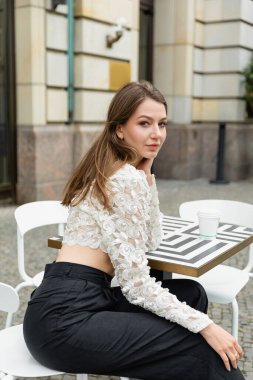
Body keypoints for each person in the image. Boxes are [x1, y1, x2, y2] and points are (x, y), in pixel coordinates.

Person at [23, 81, 245, 380]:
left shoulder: (118, 171)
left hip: (73, 300)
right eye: (145, 123)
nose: (157, 134)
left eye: (162, 124)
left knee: (191, 293)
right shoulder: (122, 179)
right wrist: (206, 326)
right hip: (64, 320)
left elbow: (152, 239)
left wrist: (148, 172)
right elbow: (137, 285)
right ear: (119, 129)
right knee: (205, 352)